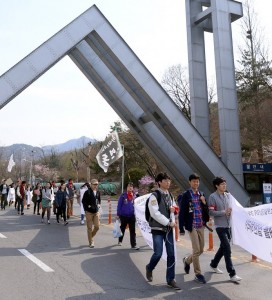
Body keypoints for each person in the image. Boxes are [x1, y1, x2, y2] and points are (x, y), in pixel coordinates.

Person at [145, 172, 180, 290]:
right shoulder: (154, 196)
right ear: (159, 182)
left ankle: (171, 279)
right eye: (165, 180)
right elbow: (154, 213)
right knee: (158, 253)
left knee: (171, 254)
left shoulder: (170, 195)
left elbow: (175, 208)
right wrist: (168, 222)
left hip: (169, 229)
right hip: (158, 229)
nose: (168, 182)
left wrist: (174, 210)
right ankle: (149, 268)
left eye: (169, 180)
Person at [208, 177, 242, 283]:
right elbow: (211, 212)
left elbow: (234, 209)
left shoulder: (228, 196)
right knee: (227, 248)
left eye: (225, 184)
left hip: (229, 226)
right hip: (220, 227)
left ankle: (213, 264)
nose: (224, 186)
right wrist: (224, 212)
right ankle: (232, 274)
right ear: (217, 186)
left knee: (223, 248)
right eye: (222, 184)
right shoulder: (212, 197)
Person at [179, 173, 209, 284]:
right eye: (193, 181)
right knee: (196, 250)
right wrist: (181, 227)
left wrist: (204, 202)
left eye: (197, 181)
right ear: (190, 182)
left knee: (201, 250)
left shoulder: (201, 194)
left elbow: (205, 210)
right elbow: (182, 212)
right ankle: (198, 274)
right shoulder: (186, 195)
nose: (196, 183)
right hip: (191, 225)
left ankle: (187, 261)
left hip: (200, 224)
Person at [116, 182, 139, 250]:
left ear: (133, 188)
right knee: (122, 228)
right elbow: (119, 206)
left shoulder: (135, 196)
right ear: (127, 188)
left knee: (132, 230)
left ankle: (133, 245)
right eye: (129, 186)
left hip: (132, 215)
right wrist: (118, 214)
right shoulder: (123, 196)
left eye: (131, 186)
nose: (130, 188)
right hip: (123, 215)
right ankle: (120, 241)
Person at [82, 179, 101, 248]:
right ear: (91, 185)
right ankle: (91, 242)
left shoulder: (98, 192)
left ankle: (90, 237)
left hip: (96, 212)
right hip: (89, 212)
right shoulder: (87, 192)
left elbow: (99, 200)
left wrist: (99, 205)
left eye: (97, 184)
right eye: (94, 184)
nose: (96, 186)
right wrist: (87, 207)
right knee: (89, 228)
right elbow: (83, 201)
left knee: (97, 226)